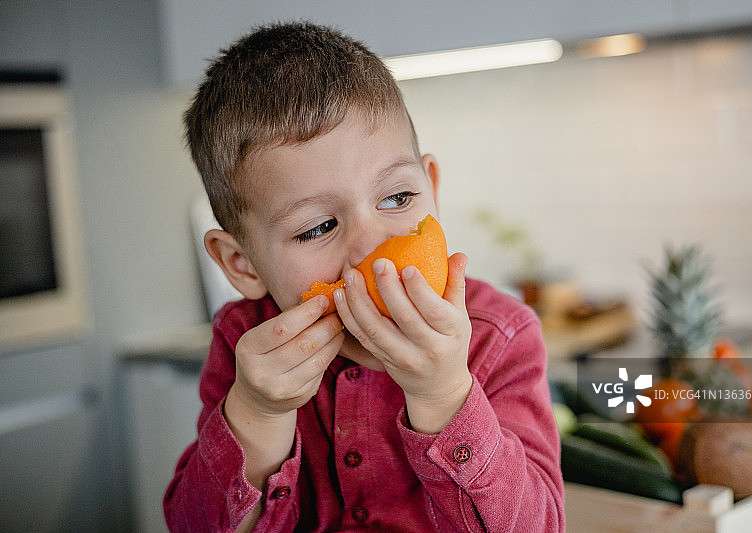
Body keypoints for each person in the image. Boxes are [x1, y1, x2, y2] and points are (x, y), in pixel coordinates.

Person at [163, 22, 564, 533]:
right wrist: (257, 415)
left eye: (397, 198)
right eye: (318, 227)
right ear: (241, 264)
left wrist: (444, 396)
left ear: (431, 188)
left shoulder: (500, 335)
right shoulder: (245, 344)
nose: (373, 252)